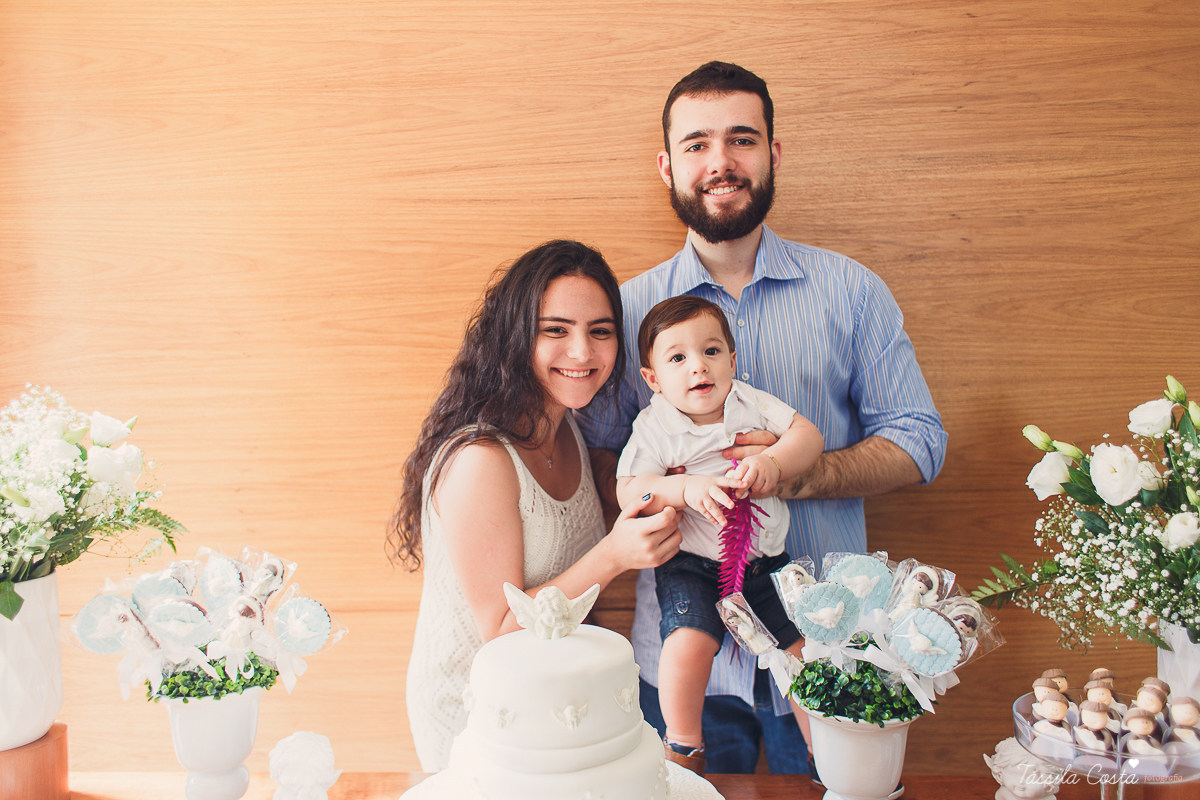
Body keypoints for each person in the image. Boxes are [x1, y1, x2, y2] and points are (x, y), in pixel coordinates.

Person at [576, 61, 947, 776]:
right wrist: (670, 494)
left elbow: (920, 442)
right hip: (684, 660)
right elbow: (595, 454)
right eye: (696, 145)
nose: (721, 162)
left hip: (828, 641)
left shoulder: (852, 292)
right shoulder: (625, 312)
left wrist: (792, 474)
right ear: (668, 165)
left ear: (773, 153)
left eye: (742, 139)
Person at [389, 240, 680, 771]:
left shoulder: (567, 424)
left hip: (552, 710)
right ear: (515, 336)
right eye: (555, 330)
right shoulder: (481, 458)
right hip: (479, 718)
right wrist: (616, 554)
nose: (582, 353)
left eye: (600, 331)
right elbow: (500, 626)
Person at [614, 295, 824, 774]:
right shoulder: (655, 425)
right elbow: (629, 489)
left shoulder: (749, 402)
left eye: (711, 352)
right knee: (687, 642)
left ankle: (822, 750)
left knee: (803, 652)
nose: (698, 368)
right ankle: (683, 746)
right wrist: (683, 487)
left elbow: (807, 435)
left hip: (765, 561)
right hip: (691, 564)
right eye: (677, 358)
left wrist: (773, 462)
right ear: (653, 379)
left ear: (732, 359)